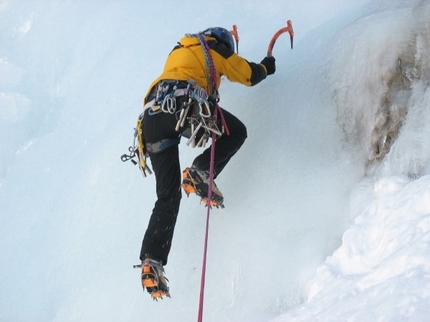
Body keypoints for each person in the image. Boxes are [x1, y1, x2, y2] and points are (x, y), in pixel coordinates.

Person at [138, 27, 276, 299]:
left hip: (151, 121)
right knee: (236, 131)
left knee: (167, 197)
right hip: (182, 105)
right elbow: (247, 74)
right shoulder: (212, 48)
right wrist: (266, 67)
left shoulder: (178, 52)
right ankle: (200, 171)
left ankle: (151, 262)